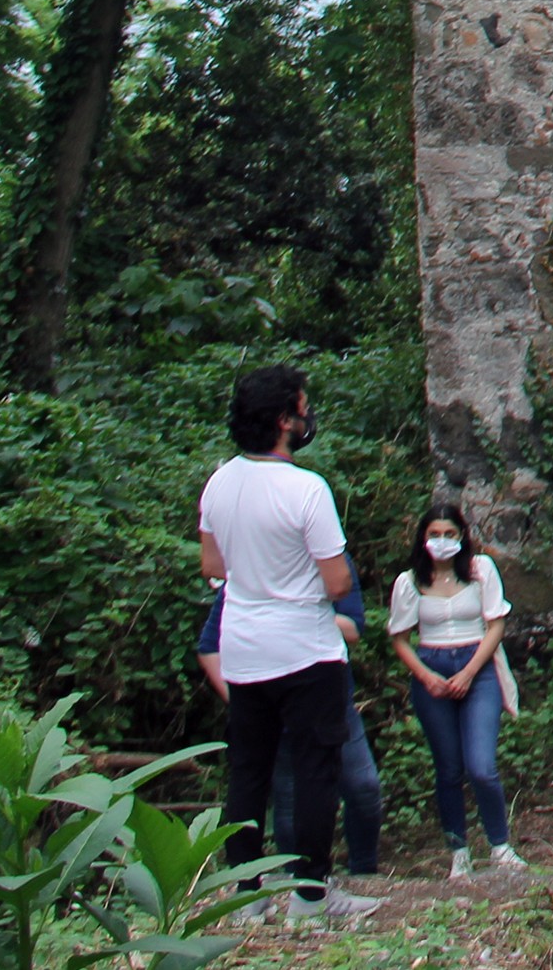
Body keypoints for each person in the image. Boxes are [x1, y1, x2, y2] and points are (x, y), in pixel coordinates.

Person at [196, 363, 373, 921]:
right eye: (302, 406)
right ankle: (311, 896)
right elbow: (338, 581)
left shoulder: (220, 481)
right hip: (305, 647)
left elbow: (211, 564)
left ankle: (247, 895)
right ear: (283, 420)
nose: (307, 415)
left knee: (248, 771)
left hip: (244, 645)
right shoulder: (306, 488)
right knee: (316, 770)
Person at [195, 565, 384, 878]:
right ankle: (294, 878)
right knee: (287, 798)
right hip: (272, 707)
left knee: (363, 786)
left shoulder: (331, 561)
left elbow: (353, 627)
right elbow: (209, 646)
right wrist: (241, 700)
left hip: (328, 701)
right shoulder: (247, 569)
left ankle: (362, 872)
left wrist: (294, 608)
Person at [387, 504, 527, 878]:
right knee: (448, 768)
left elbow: (495, 625)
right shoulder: (409, 582)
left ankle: (500, 846)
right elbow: (399, 638)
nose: (442, 542)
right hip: (431, 667)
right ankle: (459, 852)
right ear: (423, 538)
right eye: (435, 534)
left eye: (450, 534)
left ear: (462, 536)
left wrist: (469, 671)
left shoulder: (481, 571)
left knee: (481, 766)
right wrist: (426, 676)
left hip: (477, 667)